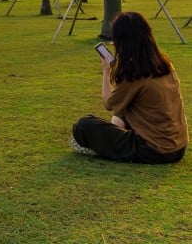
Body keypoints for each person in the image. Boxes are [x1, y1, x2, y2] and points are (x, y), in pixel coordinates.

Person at [71, 12, 188, 163]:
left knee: (83, 126)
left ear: (121, 41)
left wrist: (106, 72)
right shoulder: (164, 64)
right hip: (178, 147)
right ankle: (114, 135)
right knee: (125, 107)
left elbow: (108, 103)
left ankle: (109, 141)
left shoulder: (134, 74)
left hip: (153, 150)